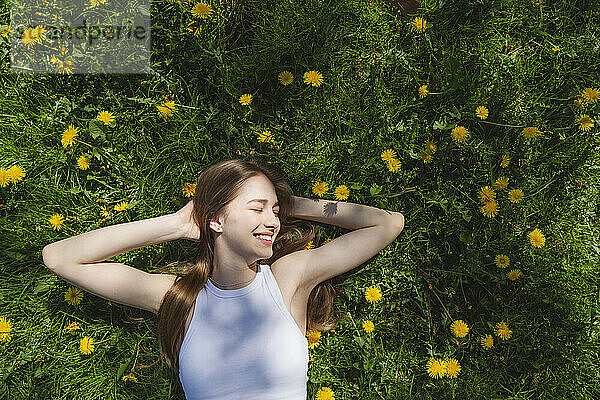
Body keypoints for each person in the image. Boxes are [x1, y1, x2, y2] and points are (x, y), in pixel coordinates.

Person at [42, 157, 405, 400]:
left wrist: (291, 203)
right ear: (216, 220)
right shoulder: (179, 298)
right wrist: (177, 224)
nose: (274, 221)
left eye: (275, 211)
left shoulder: (287, 280)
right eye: (257, 208)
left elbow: (387, 223)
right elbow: (60, 257)